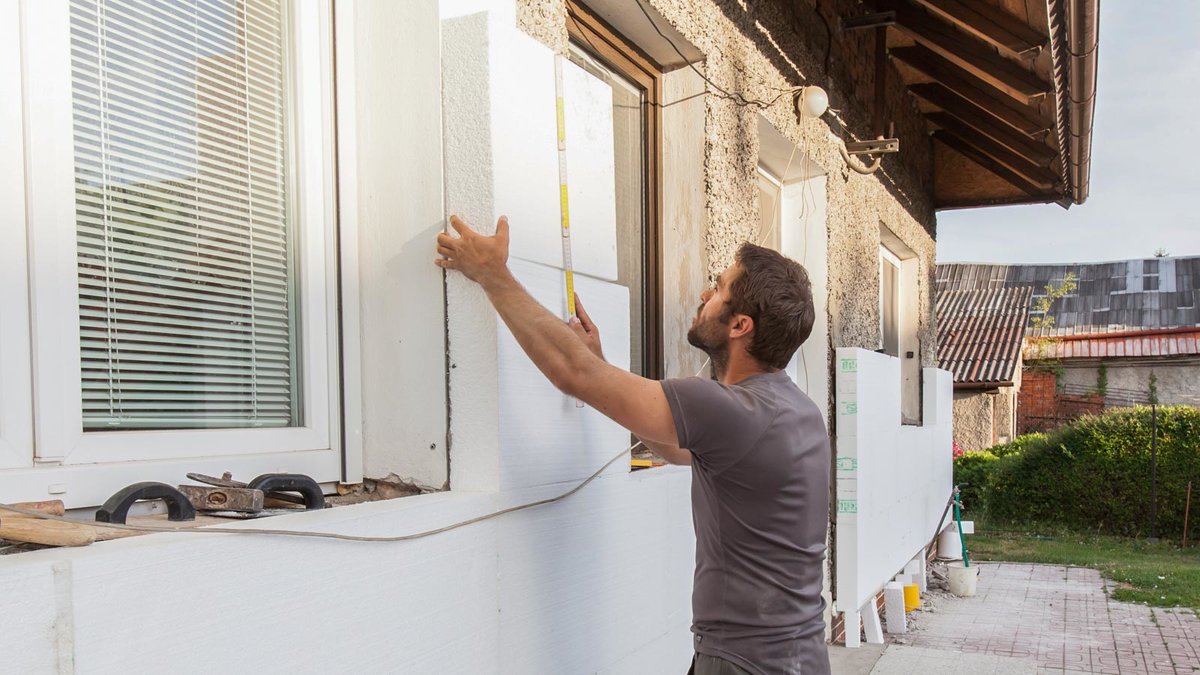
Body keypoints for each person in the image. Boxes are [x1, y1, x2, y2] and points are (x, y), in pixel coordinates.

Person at [435, 214, 831, 675]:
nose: (704, 295)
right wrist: (602, 365)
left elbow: (572, 373)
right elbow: (680, 448)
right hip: (796, 655)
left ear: (740, 324)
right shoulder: (796, 411)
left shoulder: (729, 409)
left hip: (747, 663)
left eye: (718, 288)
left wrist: (492, 274)